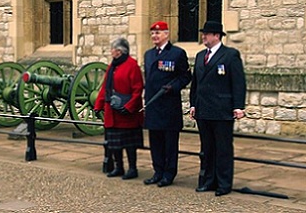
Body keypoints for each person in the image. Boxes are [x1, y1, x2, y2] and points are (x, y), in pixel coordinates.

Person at [190, 21, 246, 197]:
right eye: (203, 33)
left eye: (207, 34)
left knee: (223, 149)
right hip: (204, 110)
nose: (203, 37)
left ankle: (223, 183)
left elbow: (238, 83)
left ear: (217, 36)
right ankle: (208, 181)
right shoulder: (200, 56)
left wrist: (238, 106)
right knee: (207, 149)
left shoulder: (230, 55)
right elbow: (195, 84)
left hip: (222, 110)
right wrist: (193, 104)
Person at [143, 21, 192, 187]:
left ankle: (169, 173)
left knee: (170, 143)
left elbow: (186, 76)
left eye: (158, 33)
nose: (155, 36)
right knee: (155, 142)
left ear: (166, 34)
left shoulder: (177, 53)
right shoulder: (148, 54)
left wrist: (173, 87)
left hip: (169, 105)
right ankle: (158, 171)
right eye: (153, 33)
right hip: (153, 104)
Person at [94, 38, 144, 180]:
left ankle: (132, 168)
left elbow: (137, 89)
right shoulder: (112, 66)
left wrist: (129, 107)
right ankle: (119, 167)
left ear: (120, 51)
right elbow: (105, 88)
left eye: (113, 49)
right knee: (114, 144)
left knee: (129, 144)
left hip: (127, 113)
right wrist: (98, 104)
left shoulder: (132, 65)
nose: (111, 52)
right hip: (112, 111)